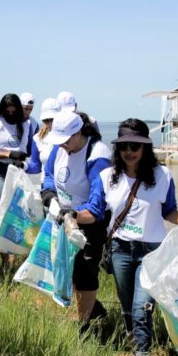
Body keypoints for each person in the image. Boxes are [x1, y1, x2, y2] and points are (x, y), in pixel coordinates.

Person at [93, 119, 178, 356]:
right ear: (117, 149)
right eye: (124, 146)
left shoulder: (163, 176)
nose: (129, 151)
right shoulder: (107, 176)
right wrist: (72, 216)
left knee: (142, 307)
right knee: (128, 306)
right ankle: (134, 339)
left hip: (152, 253)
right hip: (119, 250)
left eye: (135, 146)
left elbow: (169, 211)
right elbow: (94, 210)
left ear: (146, 148)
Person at [41, 110, 112, 330]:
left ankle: (85, 326)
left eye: (65, 141)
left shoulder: (97, 154)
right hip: (64, 217)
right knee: (67, 268)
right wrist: (49, 195)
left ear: (79, 133)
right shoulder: (59, 147)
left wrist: (75, 215)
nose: (61, 145)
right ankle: (94, 310)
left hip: (89, 222)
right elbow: (50, 175)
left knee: (85, 272)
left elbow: (97, 203)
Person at [0, 93, 41, 207]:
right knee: (3, 207)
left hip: (19, 171)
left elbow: (31, 150)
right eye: (7, 112)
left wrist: (24, 158)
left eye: (13, 112)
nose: (10, 114)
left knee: (18, 211)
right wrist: (9, 154)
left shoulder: (27, 125)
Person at [33, 97, 61, 184]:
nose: (49, 123)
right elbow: (36, 166)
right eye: (46, 120)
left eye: (52, 119)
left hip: (65, 186)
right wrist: (24, 165)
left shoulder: (69, 136)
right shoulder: (37, 138)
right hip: (46, 184)